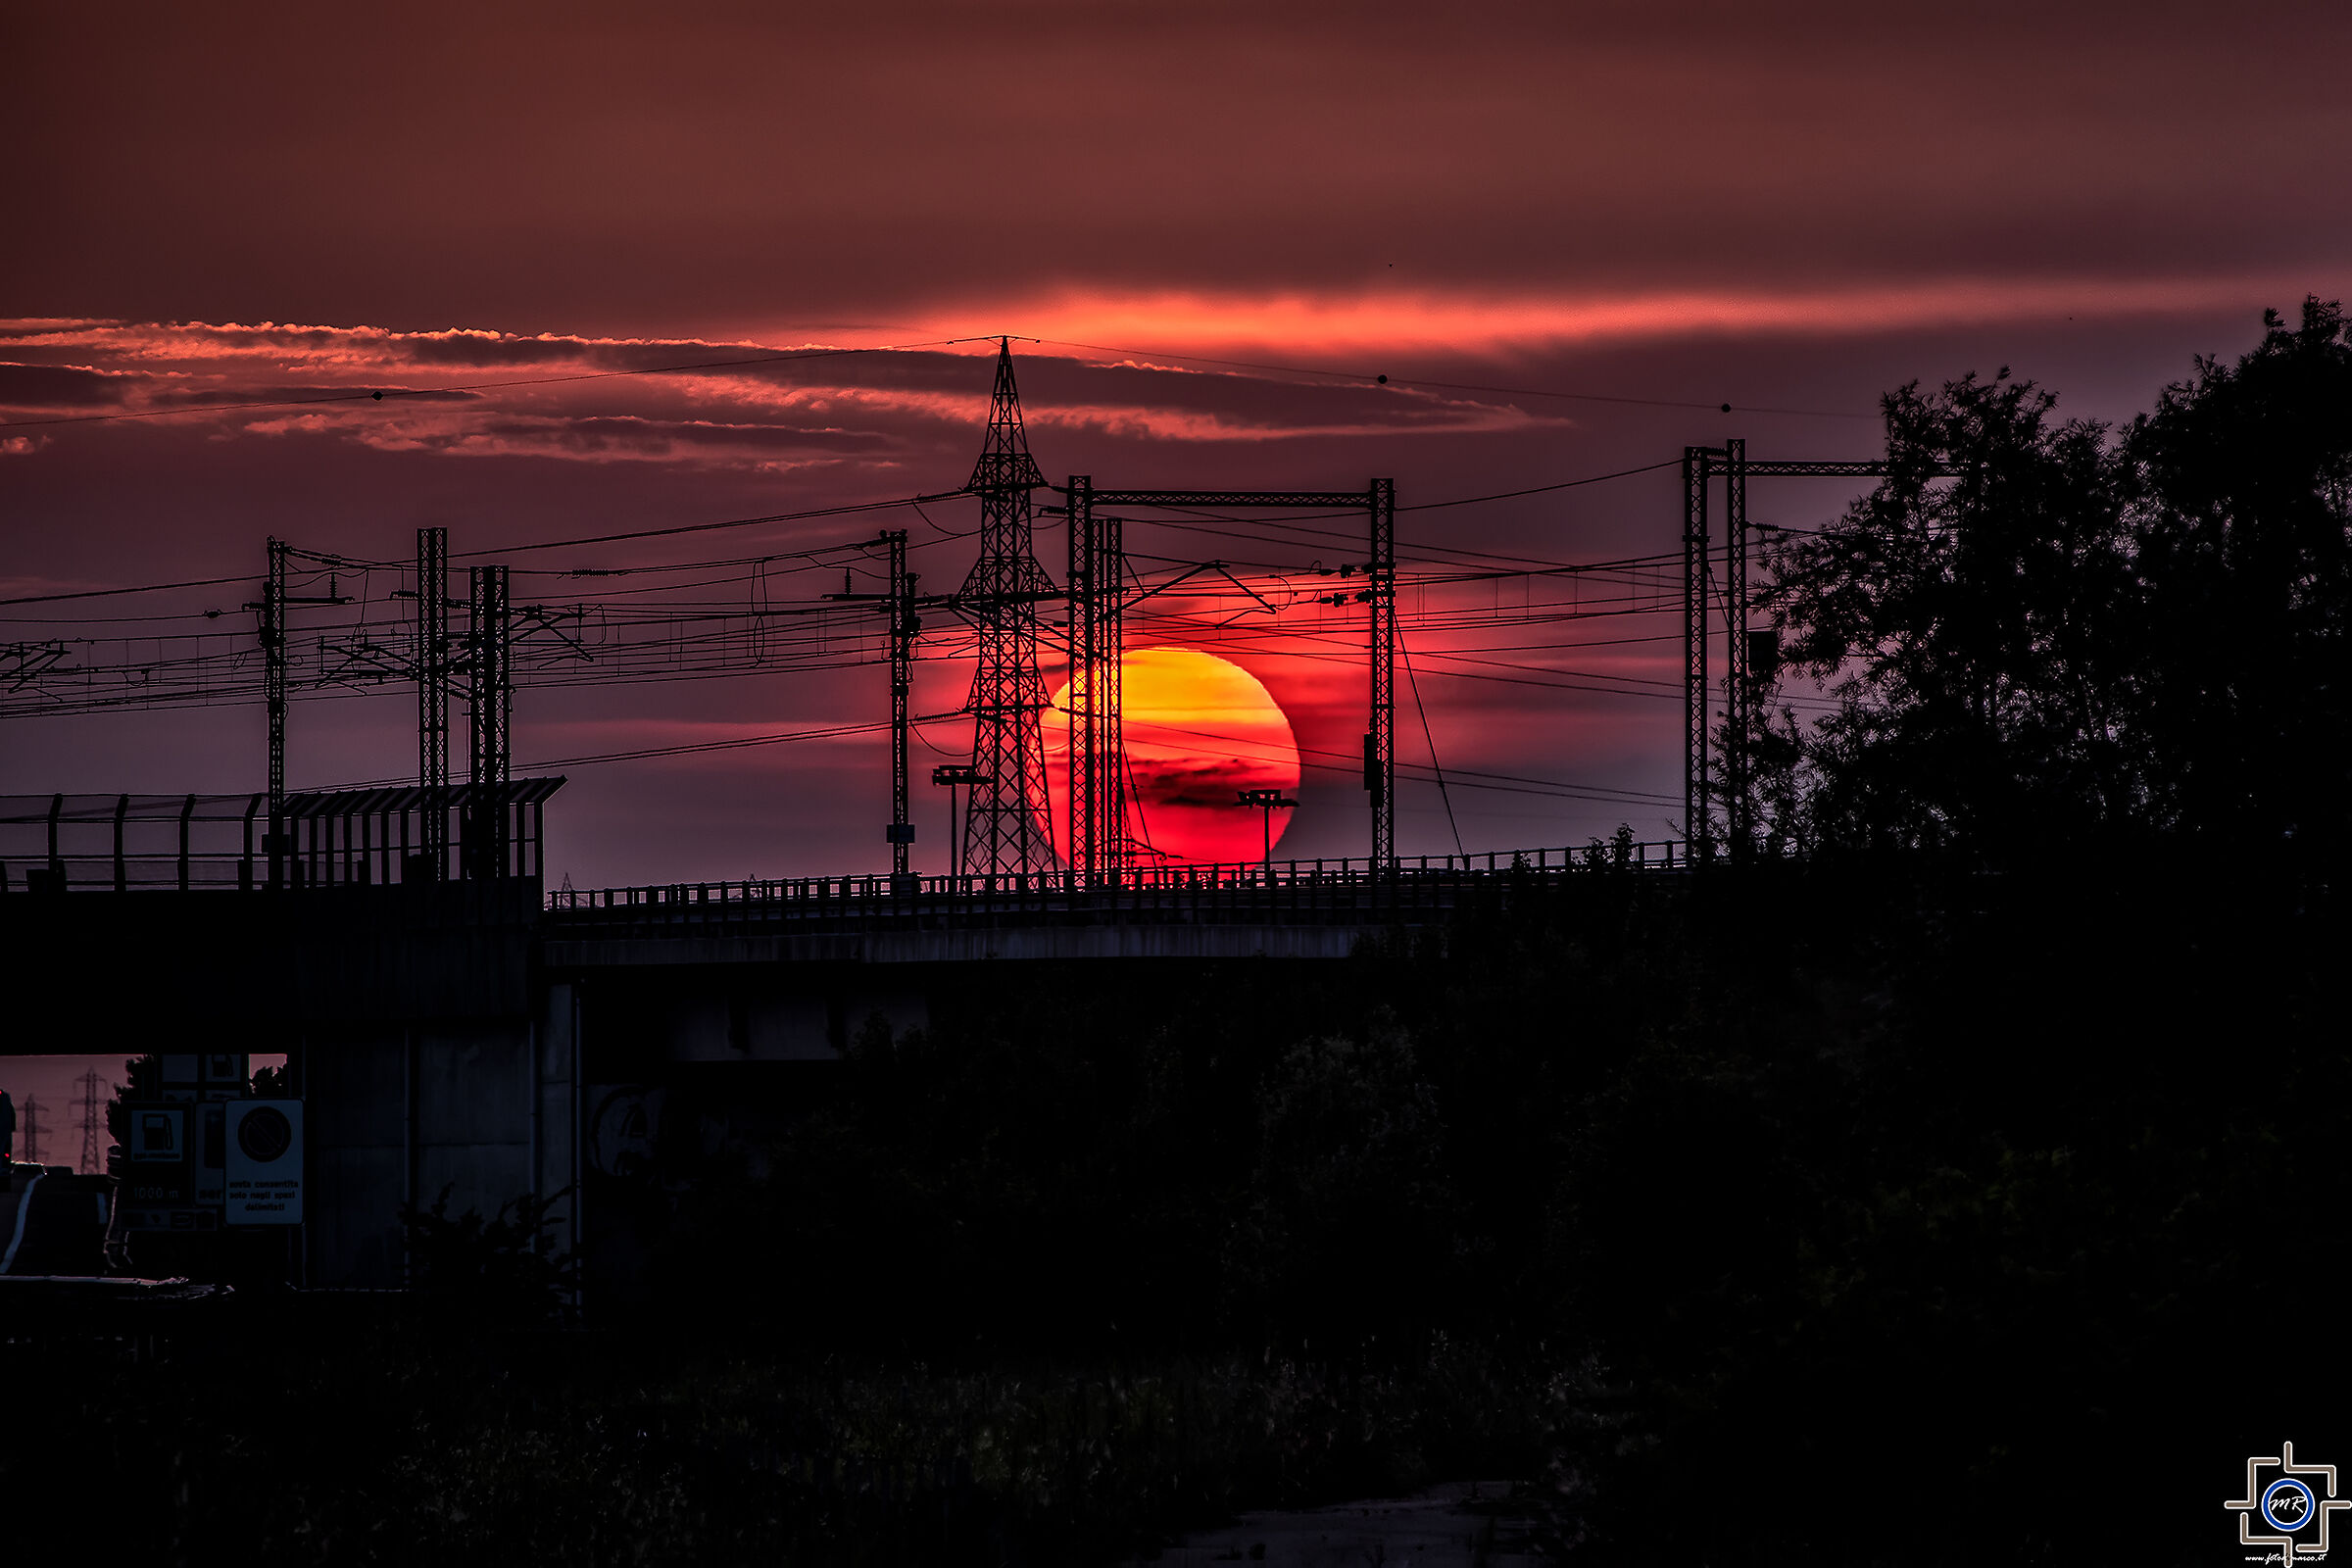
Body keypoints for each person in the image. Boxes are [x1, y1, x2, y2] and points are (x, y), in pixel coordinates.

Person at [0, 1088, 14, 1162]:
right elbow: (12, 1113)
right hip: (6, 1129)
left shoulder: (5, 1098)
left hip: (5, 1129)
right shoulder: (5, 1098)